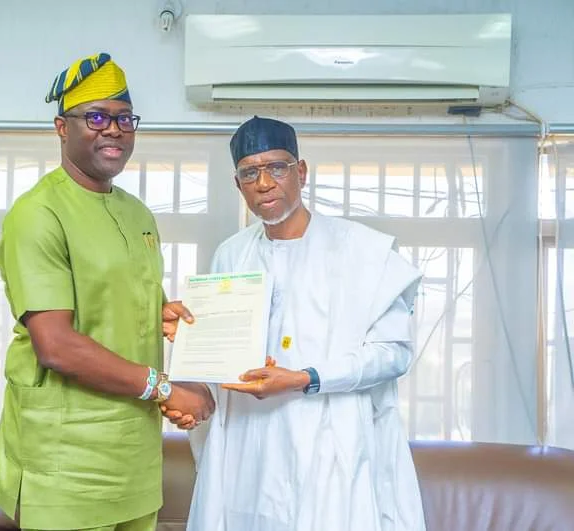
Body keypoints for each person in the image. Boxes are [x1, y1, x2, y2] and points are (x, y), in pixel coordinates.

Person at [163, 116, 427, 531]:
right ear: (238, 184)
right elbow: (223, 360)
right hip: (249, 450)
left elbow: (393, 355)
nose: (264, 183)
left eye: (277, 167)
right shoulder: (231, 254)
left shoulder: (361, 250)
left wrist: (305, 378)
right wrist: (192, 344)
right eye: (250, 172)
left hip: (330, 443)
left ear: (301, 172)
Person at [0, 53, 213, 531]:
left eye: (124, 118)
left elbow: (117, 300)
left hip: (135, 458)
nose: (113, 129)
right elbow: (56, 345)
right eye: (96, 117)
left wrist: (160, 313)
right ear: (61, 128)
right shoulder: (38, 214)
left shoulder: (137, 214)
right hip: (65, 465)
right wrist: (166, 388)